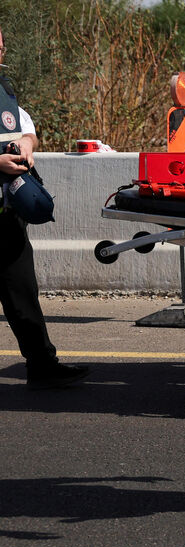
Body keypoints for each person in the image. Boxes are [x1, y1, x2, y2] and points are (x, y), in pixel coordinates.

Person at [0, 25, 90, 390]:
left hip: (6, 215)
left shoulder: (4, 88)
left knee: (23, 293)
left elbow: (26, 127)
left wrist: (26, 144)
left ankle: (42, 365)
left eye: (2, 40)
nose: (0, 47)